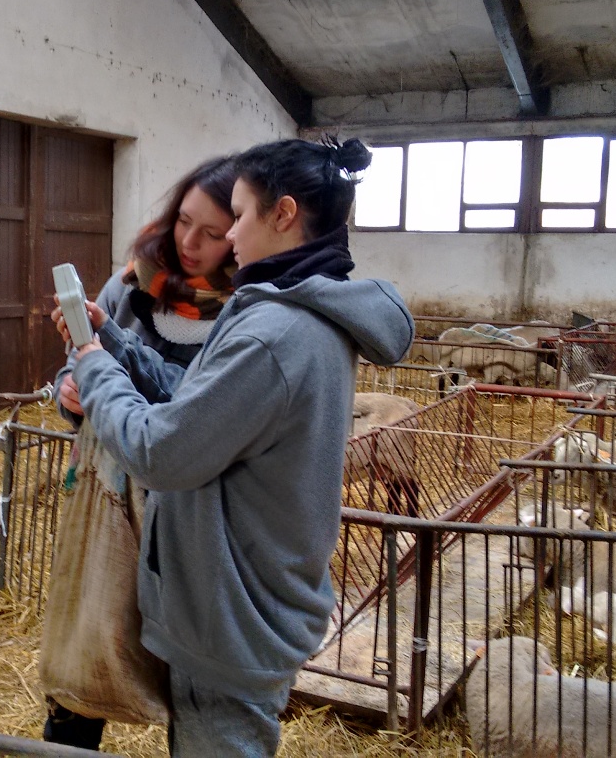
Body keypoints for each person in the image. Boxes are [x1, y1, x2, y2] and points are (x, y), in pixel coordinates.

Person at [64, 137, 414, 756]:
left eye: (241, 214)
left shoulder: (274, 333)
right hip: (236, 592)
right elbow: (197, 403)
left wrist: (93, 367)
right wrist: (115, 343)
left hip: (232, 611)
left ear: (283, 214)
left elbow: (161, 451)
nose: (228, 236)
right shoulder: (283, 309)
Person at [42, 155, 241, 750]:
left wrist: (108, 369)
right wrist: (71, 393)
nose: (189, 242)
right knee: (89, 636)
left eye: (212, 233)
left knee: (184, 665)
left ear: (240, 234)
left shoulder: (246, 310)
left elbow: (199, 407)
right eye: (184, 221)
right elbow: (76, 366)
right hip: (107, 494)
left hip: (190, 512)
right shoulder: (129, 287)